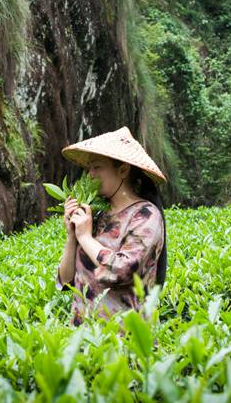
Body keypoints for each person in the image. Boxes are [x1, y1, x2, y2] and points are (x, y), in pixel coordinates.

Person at [56, 126, 168, 326]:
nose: (89, 175)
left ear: (123, 169)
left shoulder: (146, 215)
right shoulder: (97, 214)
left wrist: (85, 238)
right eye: (88, 168)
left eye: (97, 167)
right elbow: (65, 281)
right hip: (85, 340)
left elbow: (122, 271)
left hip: (124, 340)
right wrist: (72, 236)